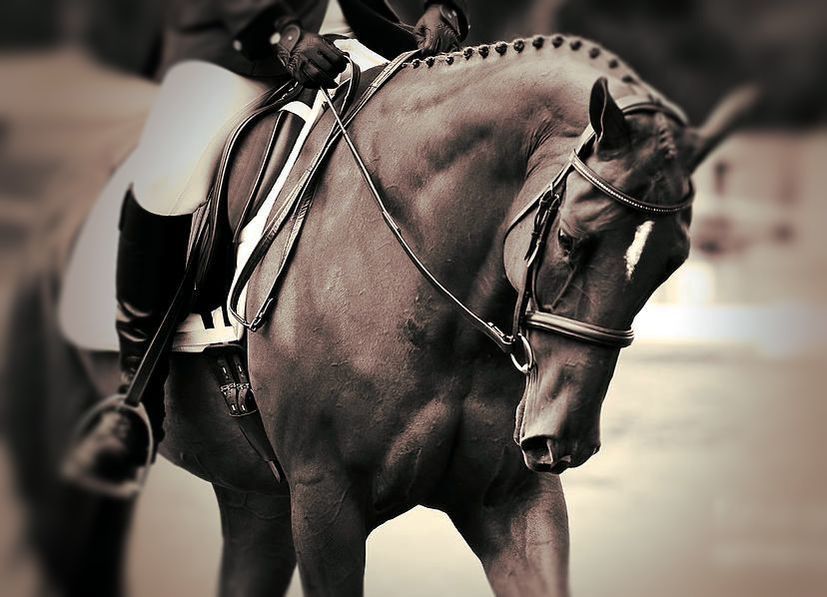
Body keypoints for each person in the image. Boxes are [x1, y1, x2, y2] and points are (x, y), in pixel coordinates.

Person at [63, 0, 470, 497]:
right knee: (167, 179)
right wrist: (281, 33)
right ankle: (135, 401)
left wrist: (441, 7)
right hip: (243, 53)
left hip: (369, 40)